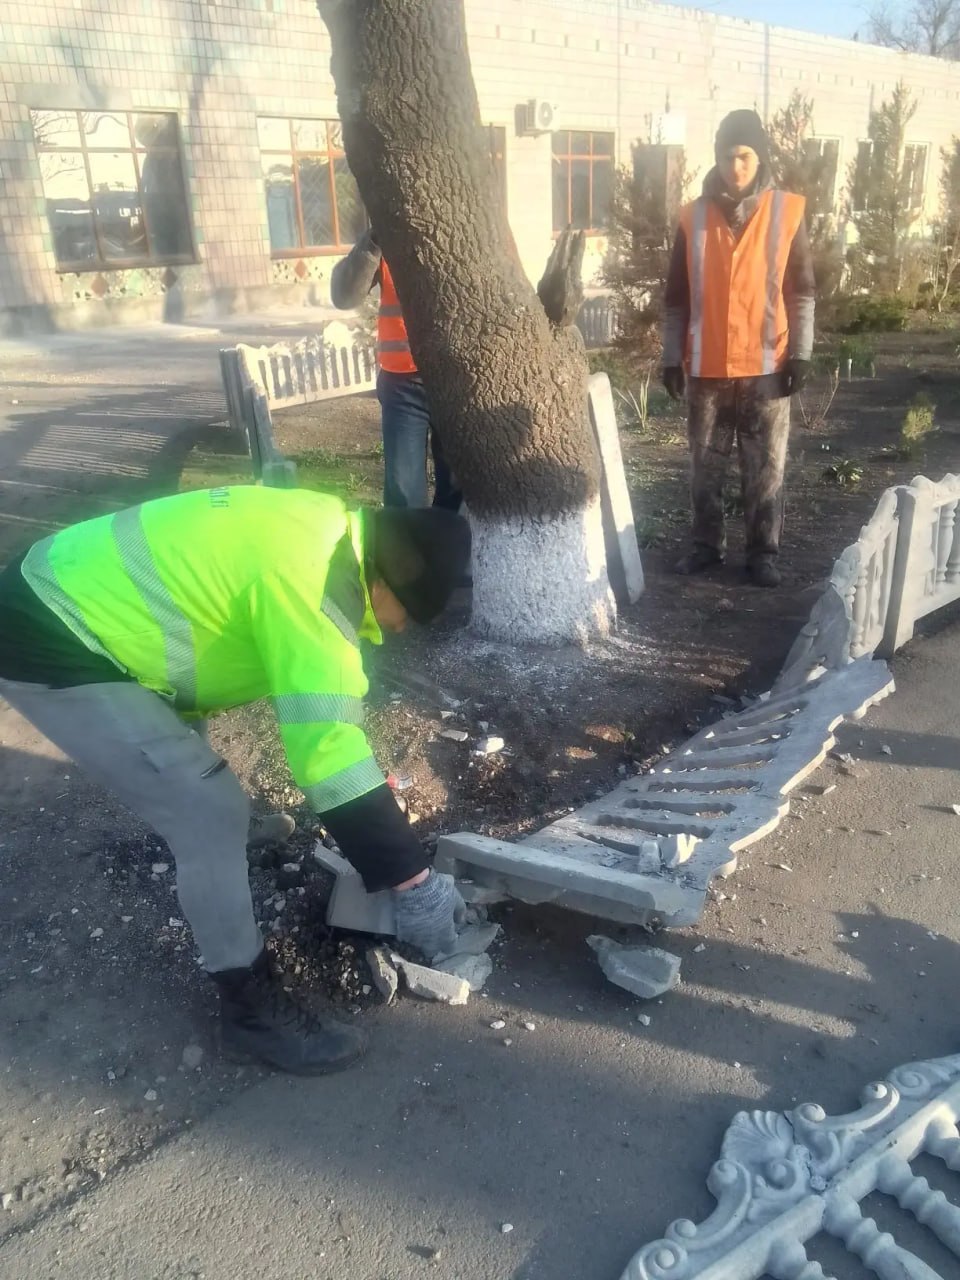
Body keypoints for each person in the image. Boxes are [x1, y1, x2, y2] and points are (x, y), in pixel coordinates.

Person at [0, 486, 471, 1076]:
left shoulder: (322, 524)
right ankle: (249, 1012)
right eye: (410, 617)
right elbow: (329, 753)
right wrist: (413, 881)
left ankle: (224, 850)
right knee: (208, 808)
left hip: (75, 585)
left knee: (189, 769)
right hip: (52, 630)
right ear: (387, 585)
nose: (400, 633)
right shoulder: (313, 591)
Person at [661, 108, 816, 588]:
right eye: (728, 156)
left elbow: (802, 291)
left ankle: (762, 553)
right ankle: (706, 546)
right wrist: (670, 357)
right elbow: (676, 297)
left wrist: (802, 354)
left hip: (767, 367)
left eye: (745, 156)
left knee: (765, 467)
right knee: (704, 468)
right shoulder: (693, 217)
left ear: (760, 157)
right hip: (706, 367)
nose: (736, 167)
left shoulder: (786, 213)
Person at [331, 228, 461, 511]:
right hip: (403, 386)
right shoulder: (388, 233)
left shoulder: (463, 229)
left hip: (455, 382)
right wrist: (373, 242)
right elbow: (343, 297)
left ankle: (451, 540)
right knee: (404, 494)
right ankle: (409, 540)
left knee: (458, 489)